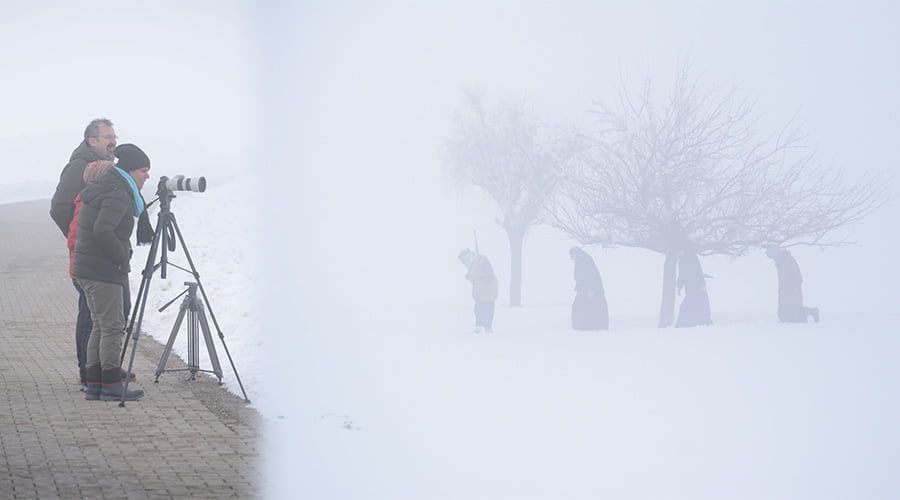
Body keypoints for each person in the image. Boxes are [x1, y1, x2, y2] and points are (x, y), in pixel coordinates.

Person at [74, 143, 151, 401]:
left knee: (100, 325)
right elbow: (103, 230)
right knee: (112, 327)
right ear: (130, 170)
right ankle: (111, 386)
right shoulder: (118, 192)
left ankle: (96, 384)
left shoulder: (107, 185)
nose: (147, 176)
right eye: (144, 170)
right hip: (101, 269)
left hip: (88, 267)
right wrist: (122, 258)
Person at [50, 119, 117, 387]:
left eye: (114, 136)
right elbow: (58, 208)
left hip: (92, 251)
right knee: (91, 312)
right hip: (85, 252)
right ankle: (89, 372)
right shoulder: (79, 167)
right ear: (92, 141)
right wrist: (79, 237)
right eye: (108, 136)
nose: (114, 140)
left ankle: (102, 368)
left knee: (99, 312)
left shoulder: (102, 167)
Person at [765, 247, 820, 323]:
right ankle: (802, 318)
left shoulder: (788, 261)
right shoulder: (780, 262)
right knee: (785, 310)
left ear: (776, 253)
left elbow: (797, 275)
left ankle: (812, 312)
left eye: (772, 256)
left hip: (792, 290)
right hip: (784, 290)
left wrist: (796, 288)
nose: (773, 259)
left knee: (794, 309)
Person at [458, 248, 498, 334]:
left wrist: (482, 280)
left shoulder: (481, 259)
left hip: (487, 288)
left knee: (486, 308)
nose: (463, 263)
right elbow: (475, 275)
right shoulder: (472, 263)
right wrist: (469, 277)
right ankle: (481, 326)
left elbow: (488, 272)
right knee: (480, 308)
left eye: (462, 260)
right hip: (481, 290)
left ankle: (485, 327)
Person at [569, 247, 609, 330]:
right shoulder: (579, 260)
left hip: (591, 290)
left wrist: (591, 290)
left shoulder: (586, 261)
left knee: (589, 306)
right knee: (580, 307)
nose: (571, 259)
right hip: (584, 289)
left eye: (572, 256)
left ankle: (592, 326)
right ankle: (584, 325)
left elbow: (591, 276)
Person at [674, 250, 713, 328]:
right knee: (689, 305)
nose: (678, 253)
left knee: (699, 304)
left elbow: (698, 270)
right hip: (689, 287)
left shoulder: (692, 257)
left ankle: (702, 322)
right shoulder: (681, 260)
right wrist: (679, 287)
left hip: (697, 286)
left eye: (679, 251)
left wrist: (702, 284)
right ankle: (687, 323)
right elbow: (681, 274)